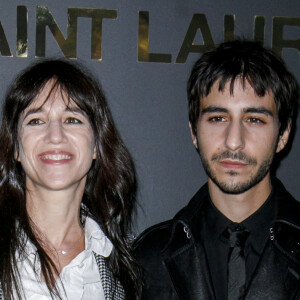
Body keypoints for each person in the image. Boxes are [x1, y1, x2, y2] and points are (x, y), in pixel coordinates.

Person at [134, 40, 300, 299]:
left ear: (283, 134)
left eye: (254, 119)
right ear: (194, 132)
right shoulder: (148, 258)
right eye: (217, 118)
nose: (234, 140)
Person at [0, 59, 139, 299]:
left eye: (72, 119)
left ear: (96, 145)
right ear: (15, 147)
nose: (55, 136)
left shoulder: (127, 264)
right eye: (36, 120)